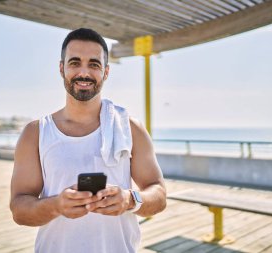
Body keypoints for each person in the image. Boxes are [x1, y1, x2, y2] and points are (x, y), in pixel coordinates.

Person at [10, 28, 167, 253]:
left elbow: (159, 195)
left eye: (94, 64)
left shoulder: (129, 128)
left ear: (106, 72)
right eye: (75, 63)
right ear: (61, 68)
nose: (84, 72)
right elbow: (19, 210)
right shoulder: (35, 133)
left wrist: (129, 199)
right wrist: (57, 205)